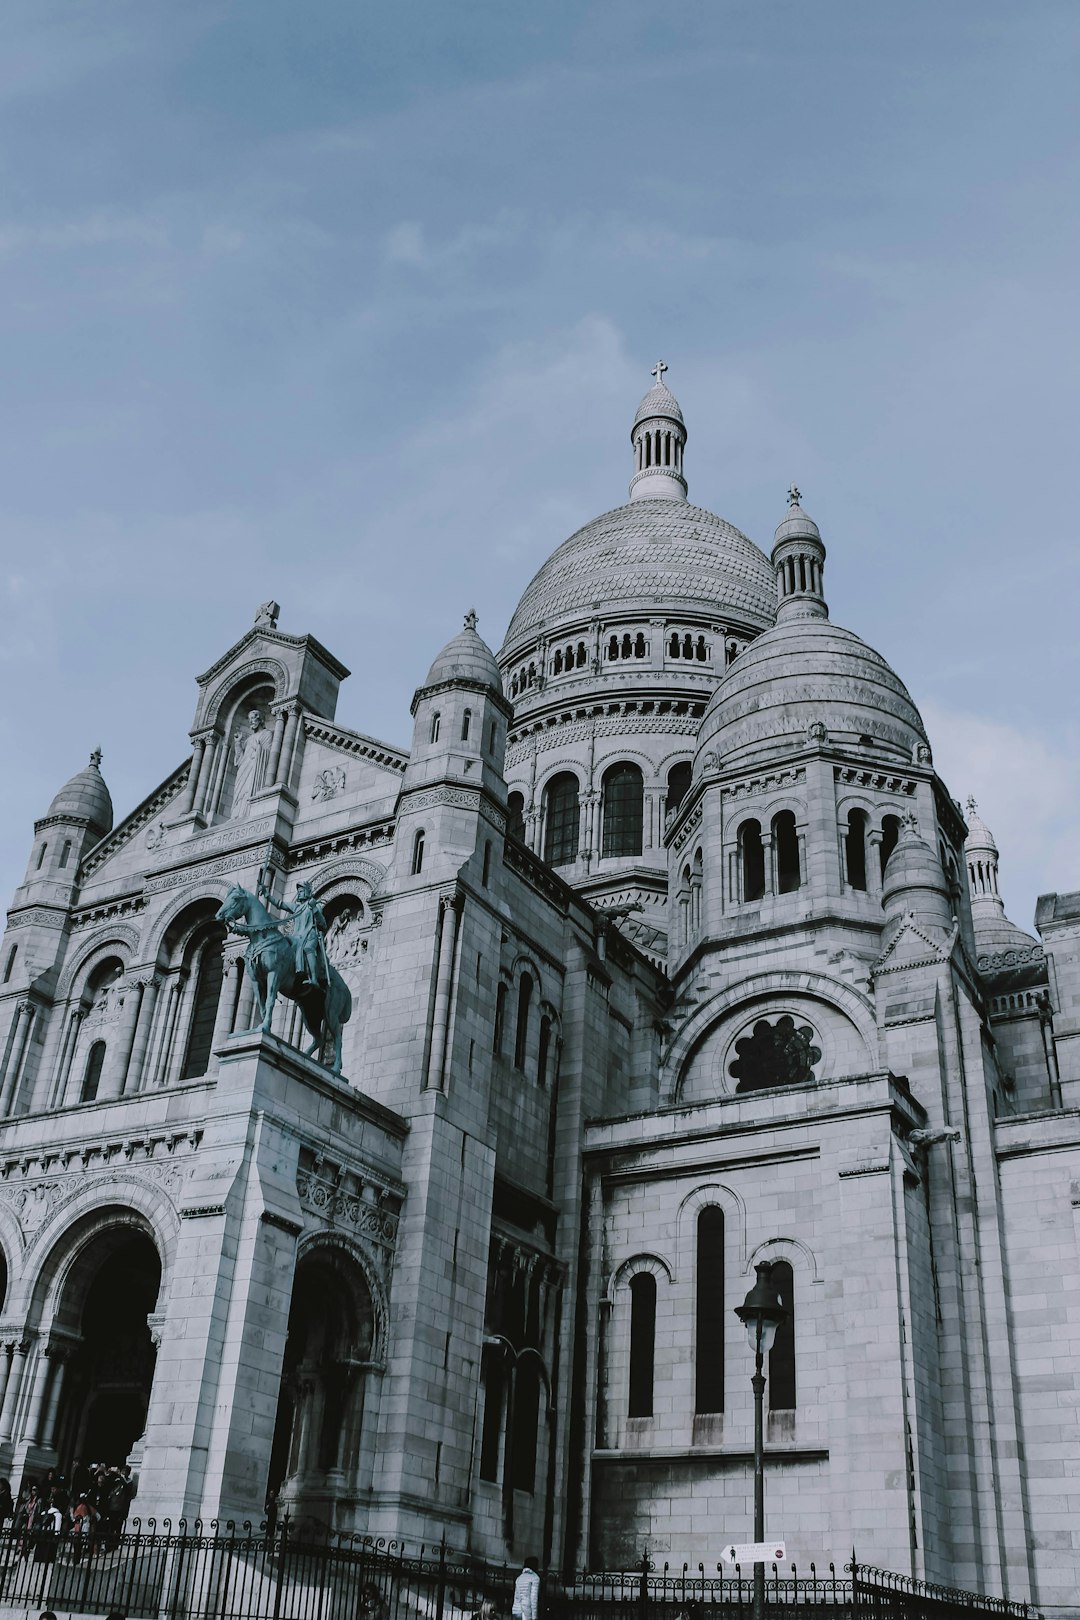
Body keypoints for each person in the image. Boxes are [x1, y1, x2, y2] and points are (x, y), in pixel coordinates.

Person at [260, 879, 329, 992]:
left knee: (307, 948)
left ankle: (314, 979)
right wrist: (267, 895)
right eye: (299, 891)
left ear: (307, 892)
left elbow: (323, 924)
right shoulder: (296, 908)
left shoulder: (313, 905)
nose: (299, 893)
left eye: (301, 891)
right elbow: (280, 904)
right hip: (297, 936)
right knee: (284, 943)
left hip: (310, 935)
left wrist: (315, 909)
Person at [232, 708, 273, 816]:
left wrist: (257, 747)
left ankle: (246, 813)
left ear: (260, 720)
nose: (251, 721)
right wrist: (238, 743)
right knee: (240, 793)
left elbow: (268, 755)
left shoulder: (267, 734)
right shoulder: (248, 739)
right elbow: (240, 760)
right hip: (243, 770)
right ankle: (237, 814)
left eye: (253, 719)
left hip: (255, 770)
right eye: (249, 719)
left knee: (247, 790)